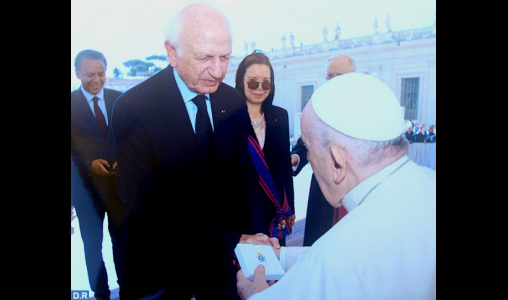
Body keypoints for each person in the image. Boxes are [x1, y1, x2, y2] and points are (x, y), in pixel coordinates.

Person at [111, 3, 274, 300]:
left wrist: (257, 241)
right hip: (162, 269)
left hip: (225, 265)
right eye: (205, 58)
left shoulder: (233, 101)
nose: (218, 70)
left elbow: (246, 178)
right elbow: (151, 207)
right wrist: (235, 240)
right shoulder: (133, 108)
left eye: (225, 57)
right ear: (172, 53)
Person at [237, 73, 436, 300]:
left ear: (337, 161)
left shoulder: (334, 260)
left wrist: (254, 294)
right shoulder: (429, 182)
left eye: (309, 149)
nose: (308, 158)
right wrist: (279, 255)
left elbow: (335, 261)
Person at [71, 49, 125, 300]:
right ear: (78, 73)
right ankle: (101, 293)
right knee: (92, 247)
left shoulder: (120, 101)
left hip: (118, 188)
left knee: (123, 242)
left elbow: (132, 140)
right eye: (90, 74)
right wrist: (89, 164)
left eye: (101, 74)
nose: (96, 79)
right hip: (86, 192)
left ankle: (128, 286)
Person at [291, 54, 356, 246]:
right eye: (330, 76)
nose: (333, 81)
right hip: (321, 188)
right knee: (316, 243)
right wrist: (296, 157)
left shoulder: (364, 105)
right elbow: (306, 140)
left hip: (351, 189)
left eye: (340, 75)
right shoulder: (317, 105)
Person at [235, 51, 296, 246]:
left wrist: (291, 207)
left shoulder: (281, 116)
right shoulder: (229, 118)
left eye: (266, 82)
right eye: (253, 81)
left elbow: (285, 167)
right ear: (241, 82)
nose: (259, 88)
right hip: (242, 211)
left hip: (275, 210)